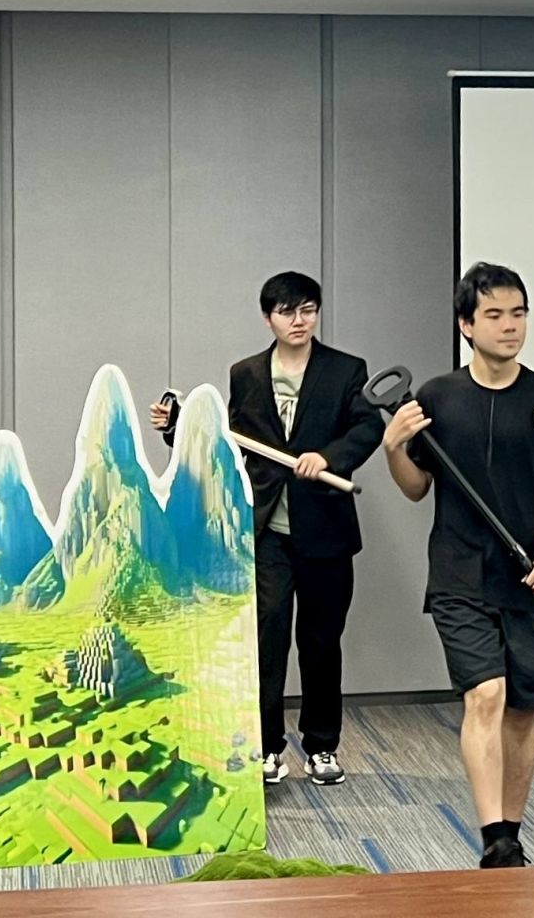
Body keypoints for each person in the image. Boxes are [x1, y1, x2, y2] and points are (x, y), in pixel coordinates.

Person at [149, 271, 384, 787]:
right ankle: (266, 747)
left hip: (325, 530)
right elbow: (231, 441)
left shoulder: (345, 370)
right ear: (268, 318)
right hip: (267, 531)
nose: (299, 321)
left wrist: (329, 457)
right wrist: (175, 428)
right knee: (266, 642)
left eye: (308, 310)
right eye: (287, 311)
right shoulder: (247, 373)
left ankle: (322, 746)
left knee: (321, 642)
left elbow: (368, 426)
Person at [382, 263, 534, 869]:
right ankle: (494, 838)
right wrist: (393, 446)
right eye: (494, 315)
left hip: (530, 577)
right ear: (467, 325)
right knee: (486, 694)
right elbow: (415, 486)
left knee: (521, 710)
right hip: (459, 573)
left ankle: (511, 831)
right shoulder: (438, 397)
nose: (509, 325)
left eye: (518, 313)